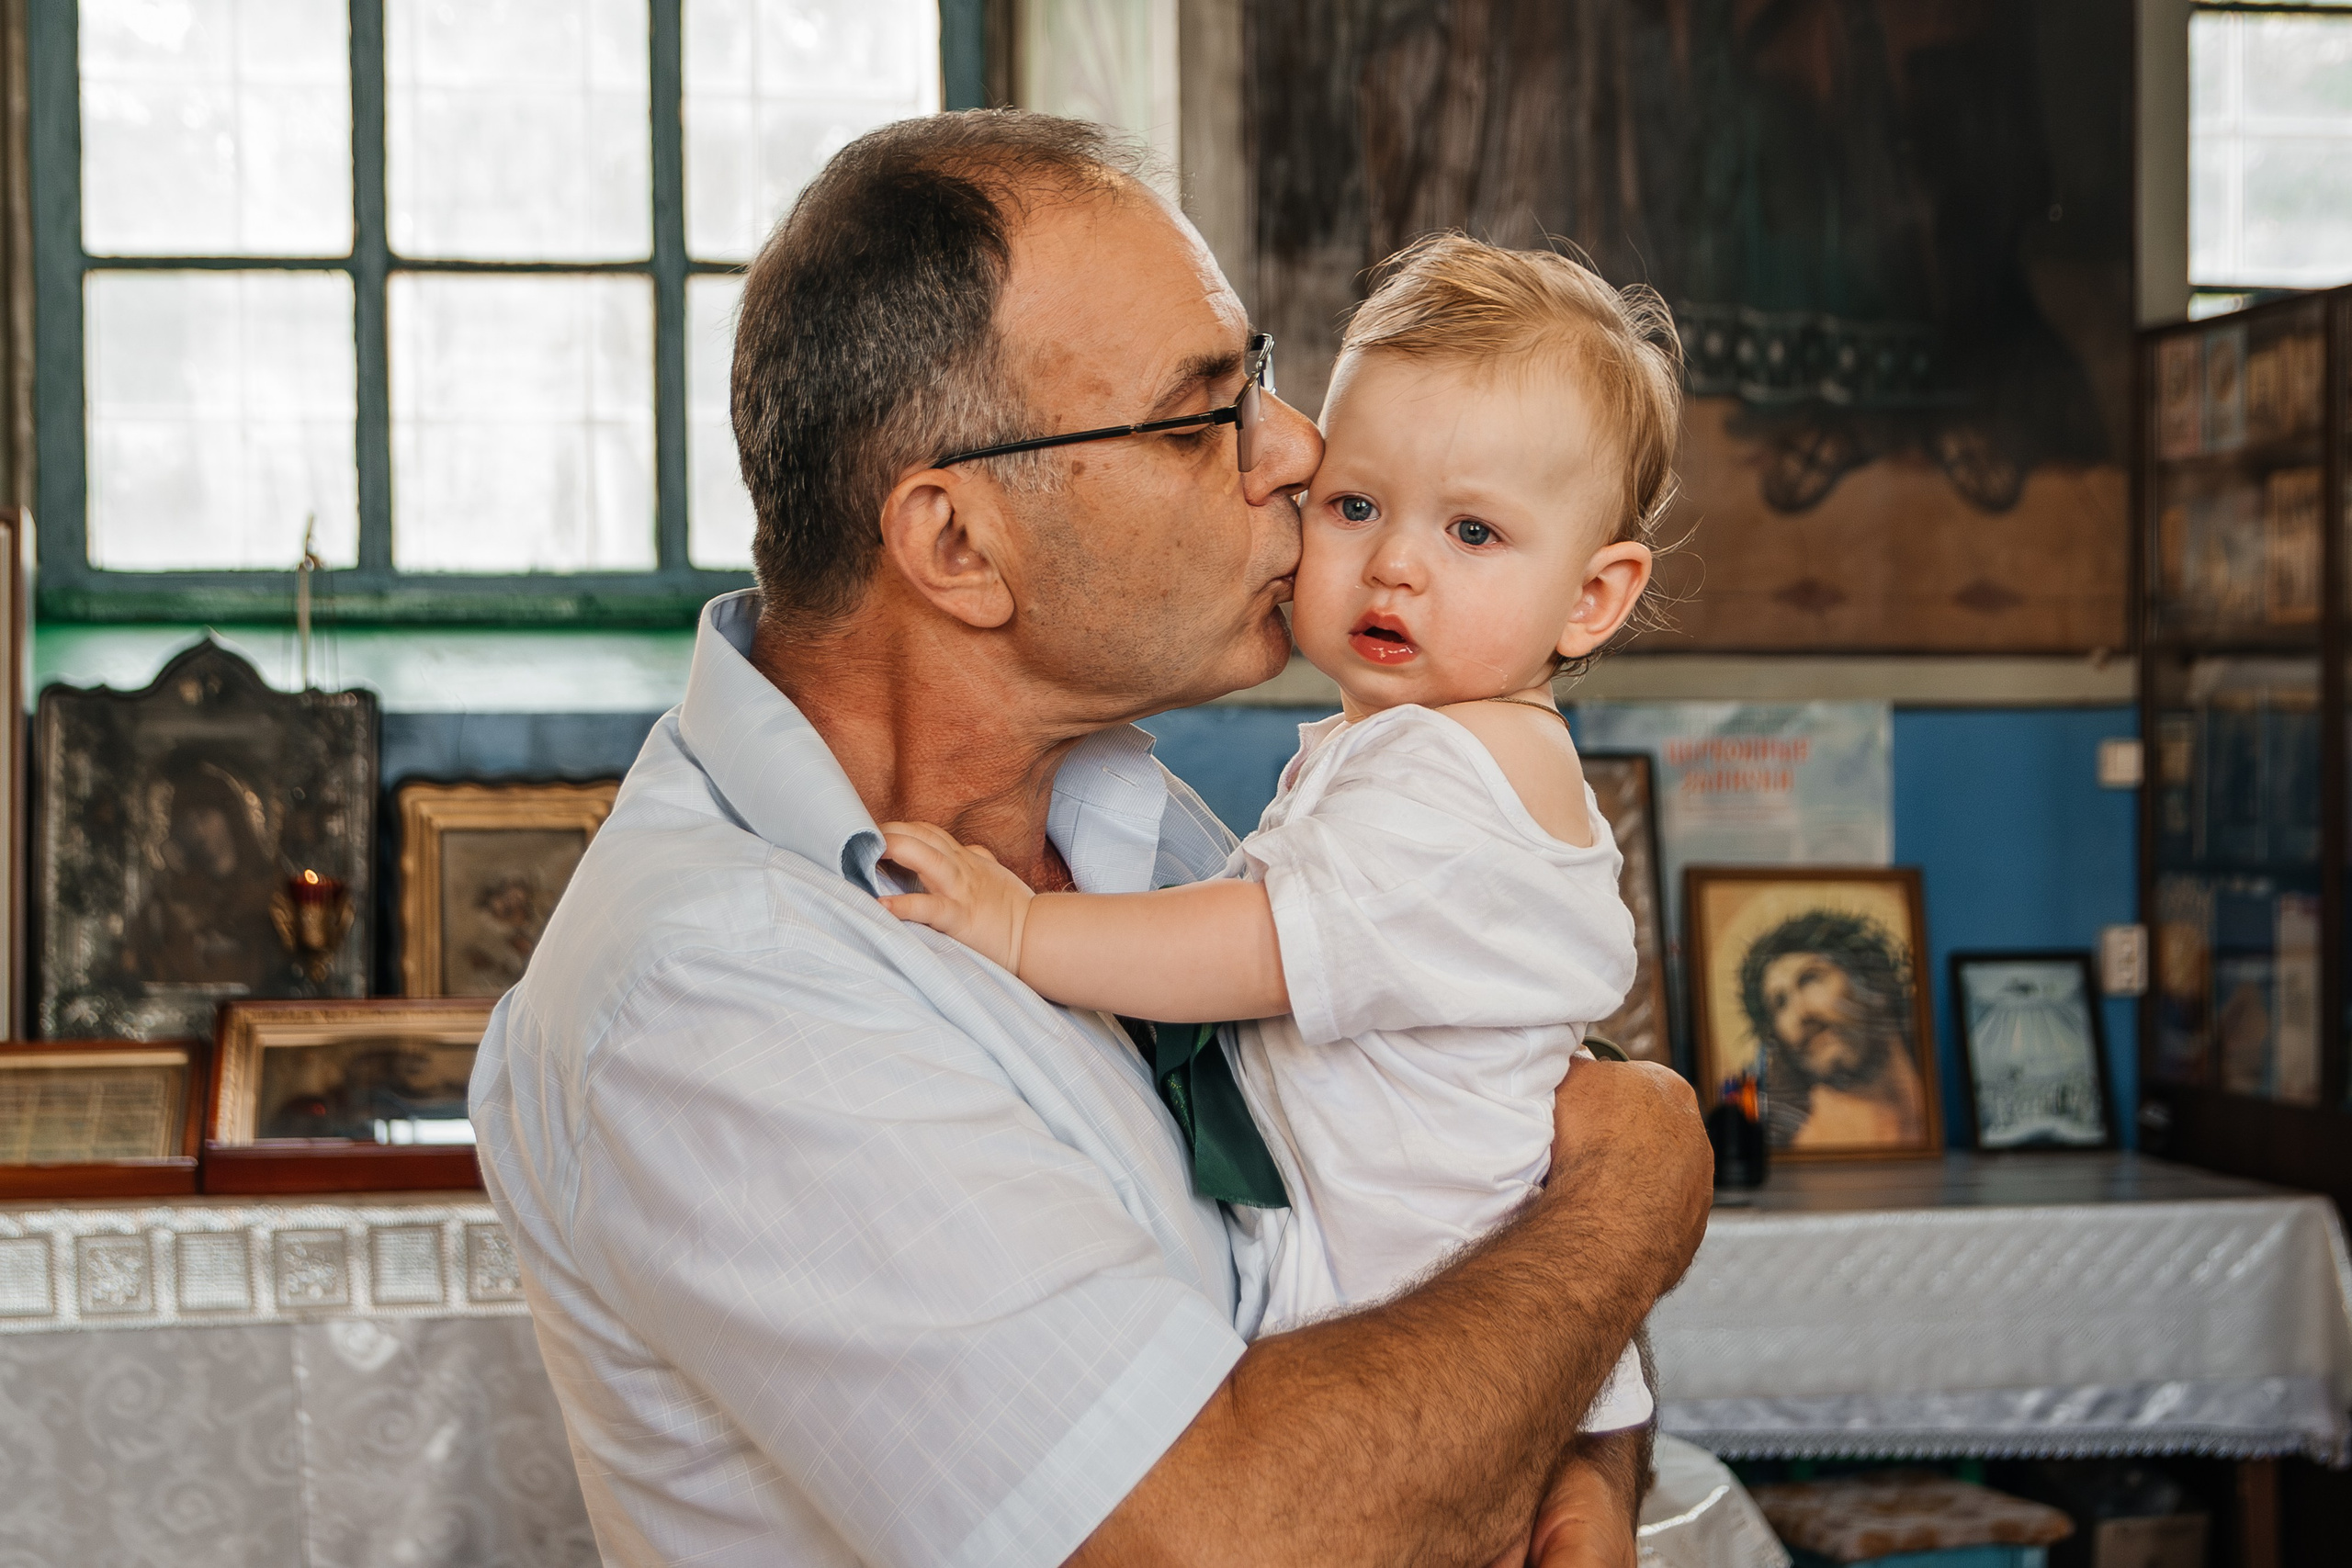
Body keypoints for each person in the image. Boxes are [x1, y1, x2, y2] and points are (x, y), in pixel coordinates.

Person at [470, 111, 1711, 1568]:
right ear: (957, 546)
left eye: (1254, 378)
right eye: (1202, 415)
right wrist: (1634, 1191)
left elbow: (1465, 1177)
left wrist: (1586, 1483)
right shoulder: (716, 990)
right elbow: (1223, 1538)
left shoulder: (1126, 823)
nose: (1299, 447)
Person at [877, 236, 1678, 1450]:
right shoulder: (1426, 750)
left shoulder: (1460, 772)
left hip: (1419, 1313)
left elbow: (1259, 946)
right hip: (1406, 1300)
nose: (1395, 561)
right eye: (1356, 506)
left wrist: (1023, 926)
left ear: (1592, 596)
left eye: (1474, 532)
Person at [1741, 909, 1928, 1150]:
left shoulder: (1941, 1103)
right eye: (1780, 1003)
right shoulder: (1809, 1147)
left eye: (1811, 979)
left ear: (1872, 980)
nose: (1801, 1014)